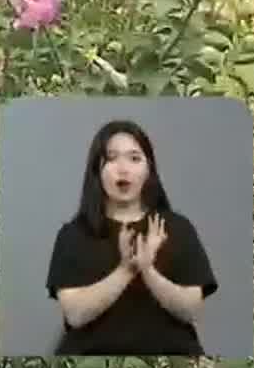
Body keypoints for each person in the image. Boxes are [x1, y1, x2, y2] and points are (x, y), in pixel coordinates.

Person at [44, 119, 217, 355]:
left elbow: (190, 310)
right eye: (112, 158)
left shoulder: (177, 228)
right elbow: (75, 315)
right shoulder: (74, 234)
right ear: (97, 169)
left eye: (134, 158)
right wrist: (126, 270)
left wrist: (148, 270)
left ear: (149, 170)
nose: (123, 168)